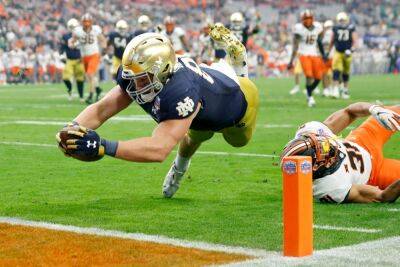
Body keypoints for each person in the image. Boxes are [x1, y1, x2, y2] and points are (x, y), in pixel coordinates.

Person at [56, 24, 259, 199]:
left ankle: (240, 69)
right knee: (194, 135)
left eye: (142, 79)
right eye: (132, 77)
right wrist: (72, 128)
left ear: (162, 72)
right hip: (207, 87)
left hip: (237, 100)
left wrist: (103, 146)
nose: (134, 85)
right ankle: (180, 169)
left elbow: (158, 148)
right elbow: (102, 109)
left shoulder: (182, 92)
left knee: (235, 141)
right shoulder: (137, 74)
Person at [281, 102, 400, 204]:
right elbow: (382, 197)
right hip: (374, 173)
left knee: (394, 112)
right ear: (318, 166)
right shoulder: (330, 188)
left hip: (361, 141)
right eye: (322, 149)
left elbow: (350, 111)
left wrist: (374, 109)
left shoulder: (311, 130)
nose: (325, 143)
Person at [288, 10, 327, 107]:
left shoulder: (318, 27)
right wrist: (291, 61)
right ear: (302, 20)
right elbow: (295, 46)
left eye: (310, 18)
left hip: (314, 54)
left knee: (319, 77)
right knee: (309, 76)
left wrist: (323, 53)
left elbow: (320, 40)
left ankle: (309, 91)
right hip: (304, 54)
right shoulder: (298, 28)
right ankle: (310, 97)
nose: (308, 20)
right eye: (306, 18)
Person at [69, 13, 106, 104]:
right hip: (84, 56)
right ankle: (97, 89)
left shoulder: (96, 30)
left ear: (91, 22)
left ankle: (90, 95)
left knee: (90, 74)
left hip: (94, 55)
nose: (86, 24)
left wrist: (103, 49)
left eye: (88, 21)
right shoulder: (78, 31)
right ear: (82, 22)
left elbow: (103, 40)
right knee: (90, 77)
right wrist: (72, 44)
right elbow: (72, 41)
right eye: (85, 21)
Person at [329, 12, 357, 99]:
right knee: (336, 71)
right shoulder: (336, 28)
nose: (342, 22)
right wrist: (328, 51)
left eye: (343, 20)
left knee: (346, 72)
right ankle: (336, 90)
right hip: (338, 51)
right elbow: (332, 40)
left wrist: (352, 49)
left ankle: (345, 90)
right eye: (340, 20)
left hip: (347, 53)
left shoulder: (351, 28)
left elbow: (355, 40)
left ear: (346, 20)